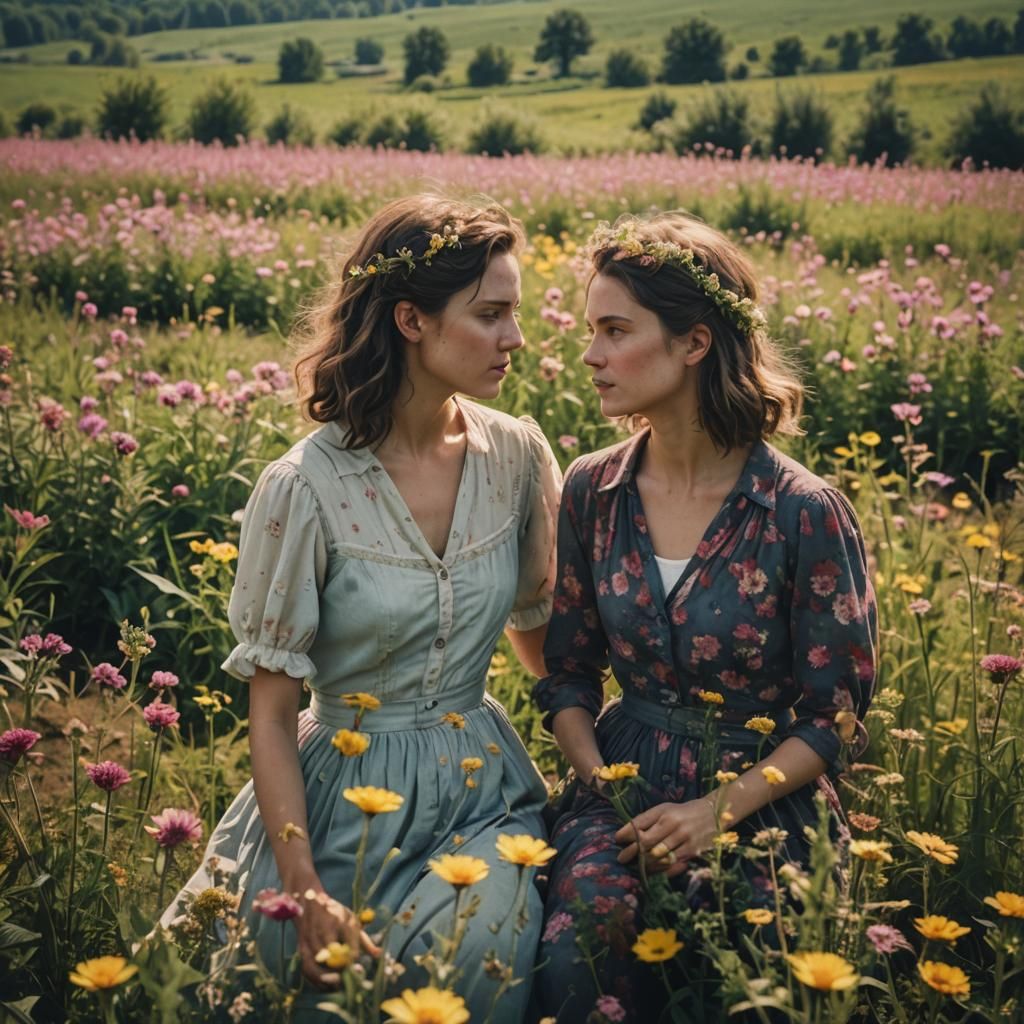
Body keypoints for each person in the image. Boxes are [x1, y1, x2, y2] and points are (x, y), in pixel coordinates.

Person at [158, 195, 561, 1021]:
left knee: (472, 964)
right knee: (305, 982)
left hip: (482, 786)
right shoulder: (304, 486)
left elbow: (541, 644)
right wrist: (303, 890)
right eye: (490, 315)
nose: (514, 339)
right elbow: (269, 715)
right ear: (411, 319)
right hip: (339, 785)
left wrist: (629, 757)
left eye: (514, 313)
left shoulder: (516, 456)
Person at [533, 213, 877, 1021]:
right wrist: (600, 787)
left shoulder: (802, 511)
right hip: (618, 787)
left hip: (762, 796)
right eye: (591, 331)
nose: (590, 355)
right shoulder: (592, 489)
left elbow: (836, 717)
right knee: (583, 952)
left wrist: (713, 814)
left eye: (615, 331)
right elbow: (569, 671)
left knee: (753, 979)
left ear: (693, 343)